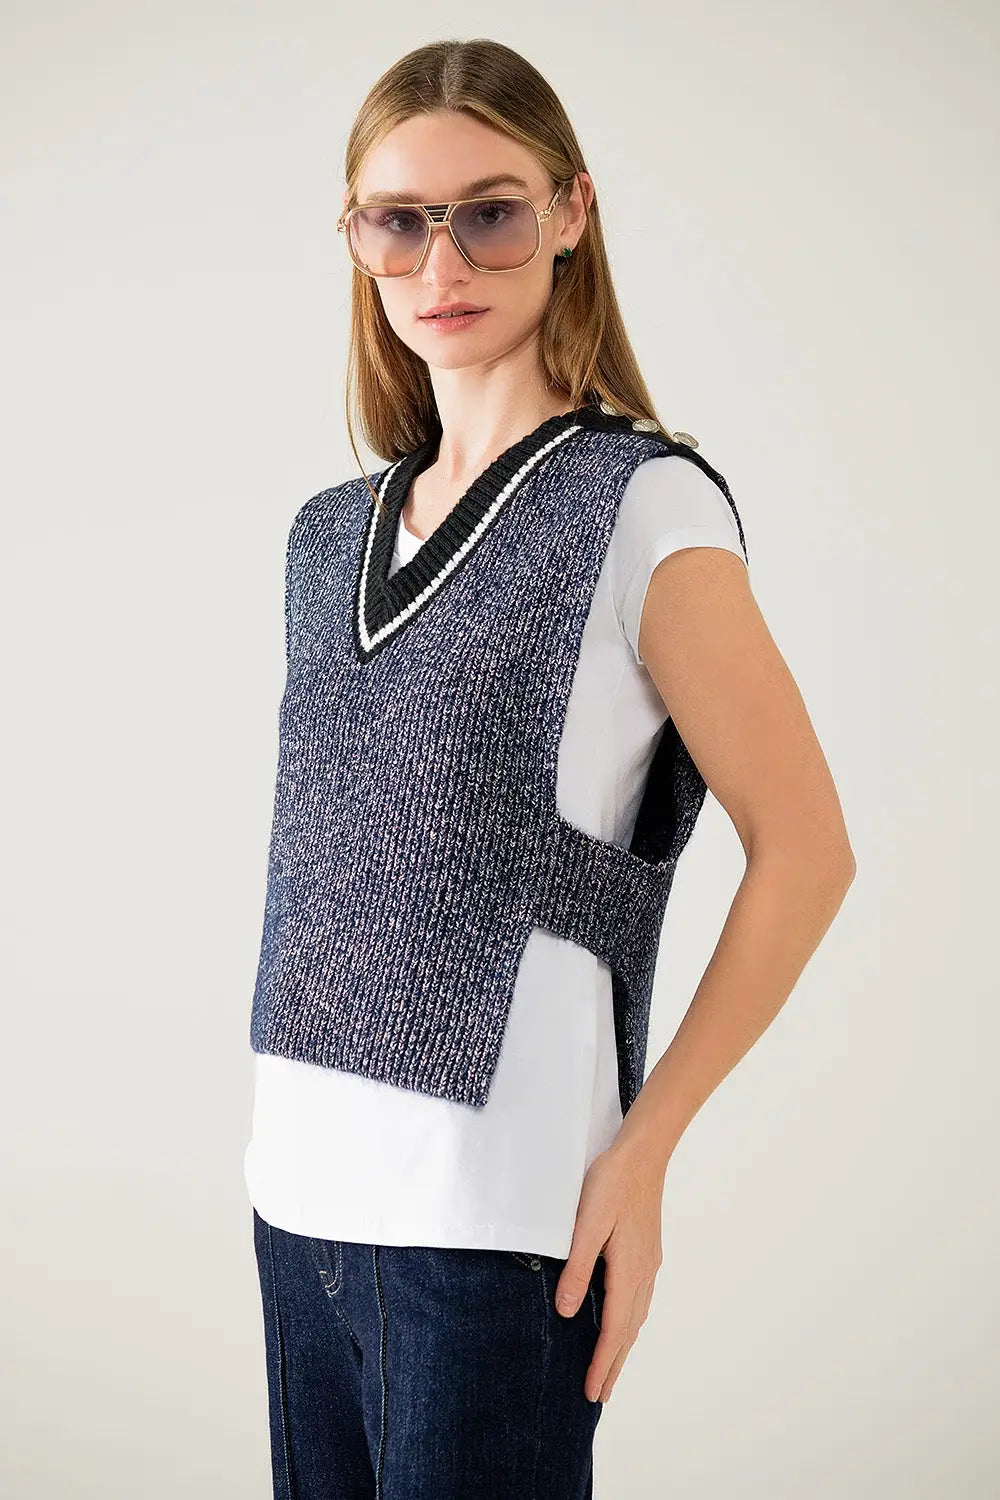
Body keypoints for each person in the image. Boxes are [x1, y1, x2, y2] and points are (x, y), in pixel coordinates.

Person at [244, 36, 856, 1500]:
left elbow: (807, 850)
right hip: (294, 1196)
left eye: (491, 212)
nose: (442, 261)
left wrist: (646, 1153)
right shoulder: (328, 533)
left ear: (572, 212)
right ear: (355, 238)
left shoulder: (641, 506)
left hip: (495, 1218)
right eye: (399, 220)